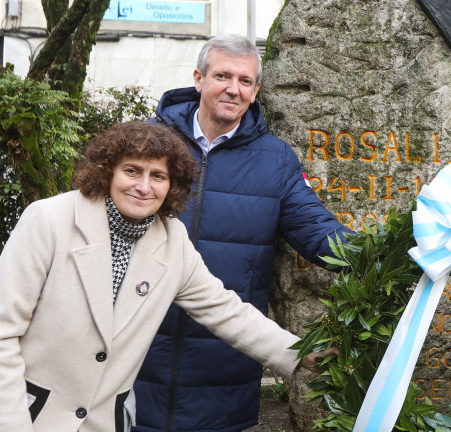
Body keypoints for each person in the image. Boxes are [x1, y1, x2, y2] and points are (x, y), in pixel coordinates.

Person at [0, 122, 330, 432]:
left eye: (158, 176)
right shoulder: (49, 220)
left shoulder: (172, 240)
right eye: (132, 171)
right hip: (9, 413)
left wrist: (303, 355)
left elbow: (228, 312)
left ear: (172, 185)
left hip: (96, 421)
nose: (144, 186)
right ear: (107, 171)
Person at [134, 34, 352, 432]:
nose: (233, 89)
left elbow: (321, 233)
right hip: (136, 348)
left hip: (226, 356)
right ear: (198, 78)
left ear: (256, 90)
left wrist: (407, 254)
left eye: (245, 81)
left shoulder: (276, 160)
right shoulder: (146, 143)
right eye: (222, 76)